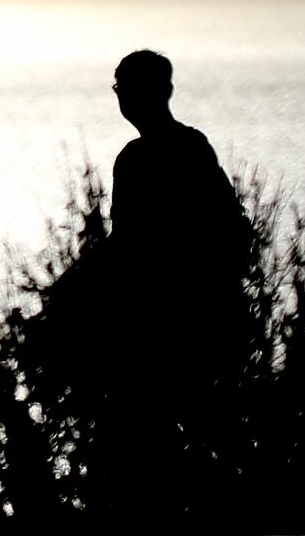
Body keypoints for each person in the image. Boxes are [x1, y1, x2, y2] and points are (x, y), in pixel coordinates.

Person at [106, 49, 246, 503]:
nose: (123, 98)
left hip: (170, 327)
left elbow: (128, 245)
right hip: (182, 322)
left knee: (172, 445)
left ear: (159, 92)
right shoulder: (183, 147)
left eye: (125, 88)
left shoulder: (148, 157)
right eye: (119, 89)